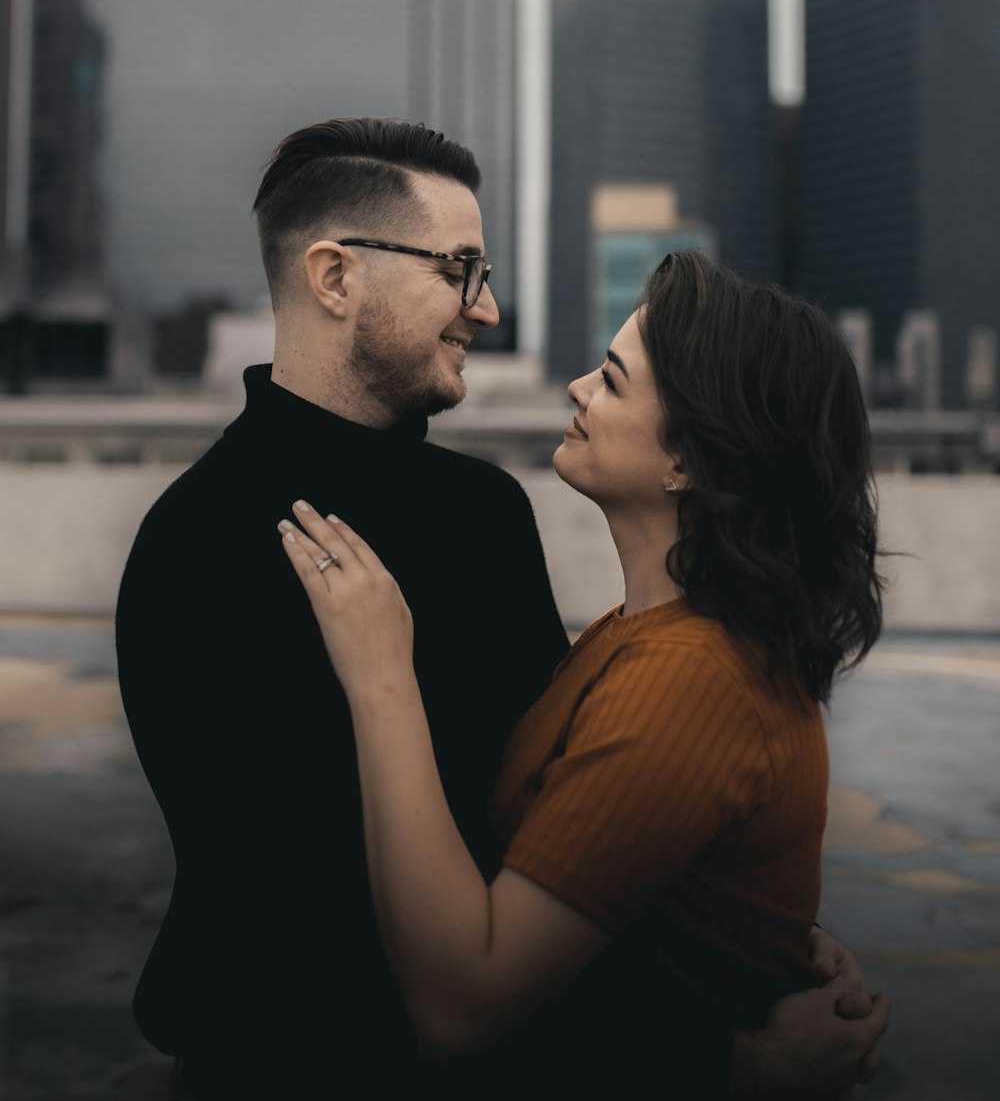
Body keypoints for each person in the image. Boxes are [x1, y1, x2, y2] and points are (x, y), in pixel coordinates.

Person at [116, 119, 887, 1099]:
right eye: (459, 268)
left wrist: (750, 937)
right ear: (334, 277)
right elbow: (331, 946)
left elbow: (570, 836)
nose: (484, 308)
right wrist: (717, 1057)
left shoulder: (484, 514)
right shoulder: (202, 547)